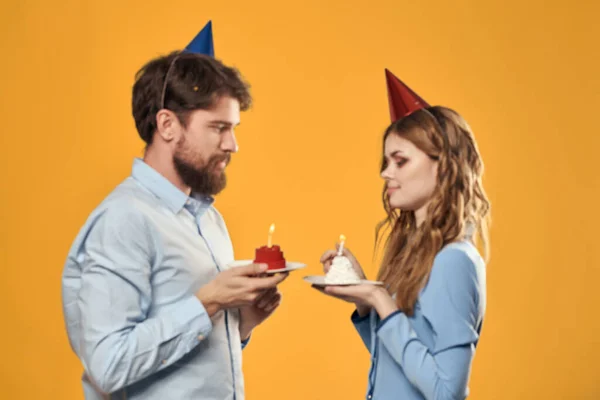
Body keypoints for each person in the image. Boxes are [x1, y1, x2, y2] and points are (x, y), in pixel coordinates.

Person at [61, 22, 287, 399]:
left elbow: (191, 365)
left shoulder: (209, 219)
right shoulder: (123, 220)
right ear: (167, 125)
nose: (233, 145)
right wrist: (209, 301)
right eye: (219, 128)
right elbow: (109, 364)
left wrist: (241, 325)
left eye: (234, 128)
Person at [315, 69, 490, 400]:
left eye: (400, 161)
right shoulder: (417, 252)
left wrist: (380, 299)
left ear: (443, 166)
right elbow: (400, 366)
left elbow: (445, 392)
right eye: (386, 161)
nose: (385, 173)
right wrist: (363, 299)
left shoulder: (454, 261)